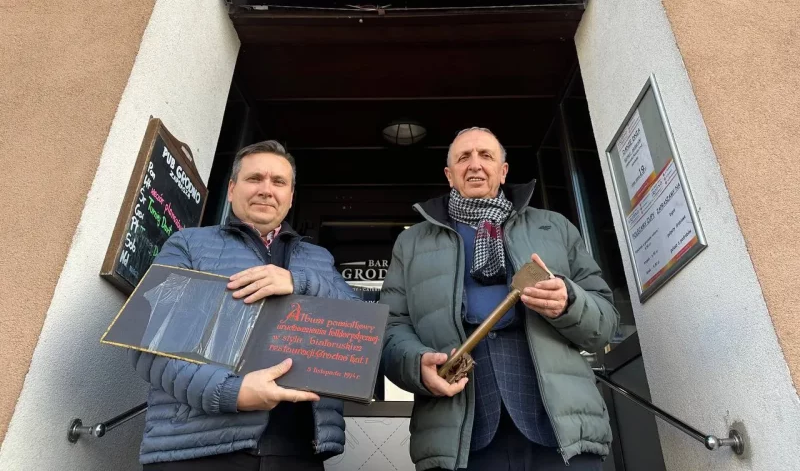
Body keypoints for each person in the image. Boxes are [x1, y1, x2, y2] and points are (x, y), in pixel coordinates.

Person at [380, 127, 619, 471]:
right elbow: (391, 329)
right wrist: (416, 364)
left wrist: (569, 303)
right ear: (449, 175)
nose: (474, 165)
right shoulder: (412, 243)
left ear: (503, 171)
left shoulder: (554, 227)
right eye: (463, 157)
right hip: (459, 433)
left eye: (486, 156)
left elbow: (606, 323)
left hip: (559, 427)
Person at [131, 140, 358, 470]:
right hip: (197, 450)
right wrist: (231, 393)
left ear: (291, 196)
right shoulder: (189, 245)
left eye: (279, 182)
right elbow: (146, 343)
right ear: (233, 188)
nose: (267, 190)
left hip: (296, 451)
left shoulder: (319, 260)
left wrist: (301, 284)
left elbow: (360, 330)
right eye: (255, 179)